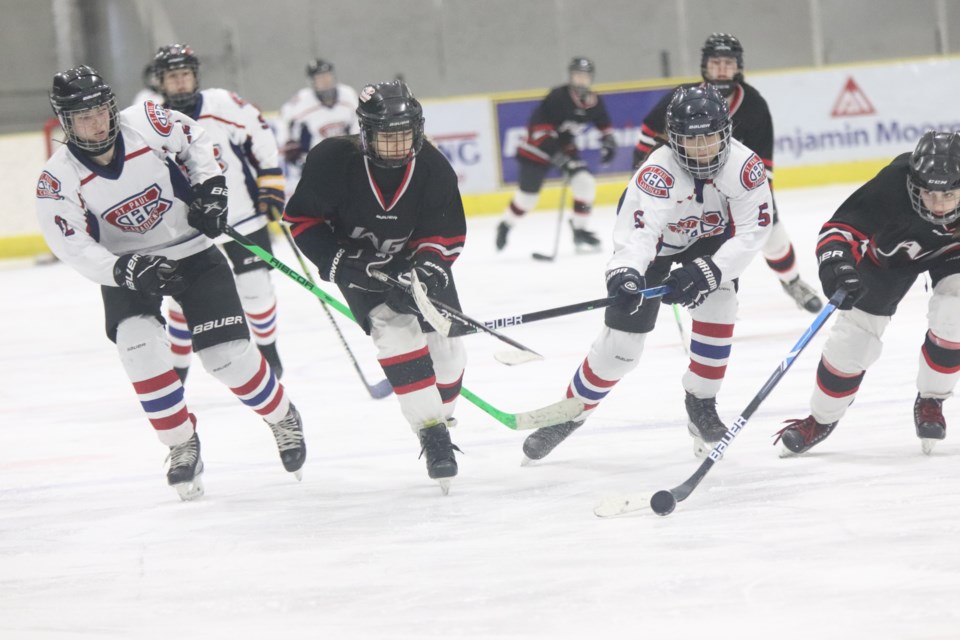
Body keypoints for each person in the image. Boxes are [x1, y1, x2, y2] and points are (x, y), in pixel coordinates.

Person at [35, 65, 306, 501]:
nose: (97, 124)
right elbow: (74, 247)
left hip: (193, 250)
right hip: (127, 267)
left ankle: (282, 416)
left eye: (100, 111)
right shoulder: (56, 179)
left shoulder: (145, 121)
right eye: (82, 117)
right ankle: (182, 445)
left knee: (226, 359)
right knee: (138, 349)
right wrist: (122, 271)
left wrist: (212, 189)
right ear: (65, 123)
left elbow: (198, 140)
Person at [521, 84, 772, 462]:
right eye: (691, 140)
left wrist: (708, 271)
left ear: (726, 133)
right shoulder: (657, 173)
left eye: (710, 138)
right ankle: (572, 411)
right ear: (673, 140)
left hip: (709, 242)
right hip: (657, 249)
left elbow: (755, 230)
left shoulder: (746, 167)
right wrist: (626, 276)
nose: (702, 149)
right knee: (621, 350)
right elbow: (640, 238)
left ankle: (701, 402)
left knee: (720, 302)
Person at [283, 80, 467, 493]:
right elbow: (303, 221)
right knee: (397, 337)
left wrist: (428, 270)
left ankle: (441, 414)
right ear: (365, 133)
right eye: (386, 137)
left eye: (404, 135)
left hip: (415, 266)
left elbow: (445, 235)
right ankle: (433, 434)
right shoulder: (332, 160)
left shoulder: (433, 167)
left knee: (448, 352)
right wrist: (341, 264)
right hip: (358, 266)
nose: (397, 146)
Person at [774, 131, 960, 456]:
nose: (939, 205)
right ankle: (820, 419)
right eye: (929, 194)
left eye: (949, 195)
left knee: (955, 316)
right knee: (852, 342)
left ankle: (932, 399)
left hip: (952, 255)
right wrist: (838, 268)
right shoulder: (893, 183)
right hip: (885, 261)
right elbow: (839, 229)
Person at [631, 33, 823, 314]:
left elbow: (763, 166)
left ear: (738, 66)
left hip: (740, 187)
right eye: (716, 62)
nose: (722, 68)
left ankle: (792, 281)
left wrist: (758, 201)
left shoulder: (754, 104)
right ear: (705, 65)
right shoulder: (685, 97)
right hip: (688, 187)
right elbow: (647, 136)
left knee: (771, 234)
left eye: (728, 62)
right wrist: (644, 168)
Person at [152, 44, 287, 380]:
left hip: (240, 212)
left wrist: (270, 181)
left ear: (195, 76)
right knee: (181, 299)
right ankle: (178, 369)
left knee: (256, 288)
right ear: (161, 82)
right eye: (173, 77)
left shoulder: (222, 104)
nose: (180, 82)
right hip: (189, 226)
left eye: (185, 74)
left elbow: (260, 134)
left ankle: (268, 352)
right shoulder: (152, 120)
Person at [495, 56, 617, 253]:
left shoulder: (594, 101)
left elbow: (605, 126)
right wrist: (561, 159)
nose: (581, 80)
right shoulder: (558, 97)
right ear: (571, 76)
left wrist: (609, 144)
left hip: (564, 147)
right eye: (577, 76)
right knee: (528, 199)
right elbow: (540, 133)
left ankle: (579, 230)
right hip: (536, 149)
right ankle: (506, 224)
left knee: (585, 183)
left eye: (585, 76)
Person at [275, 58, 359, 198]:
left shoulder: (348, 94)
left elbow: (359, 120)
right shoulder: (302, 100)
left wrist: (358, 144)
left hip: (346, 158)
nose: (325, 81)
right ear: (312, 82)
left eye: (328, 76)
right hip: (316, 161)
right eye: (320, 78)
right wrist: (287, 141)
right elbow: (282, 121)